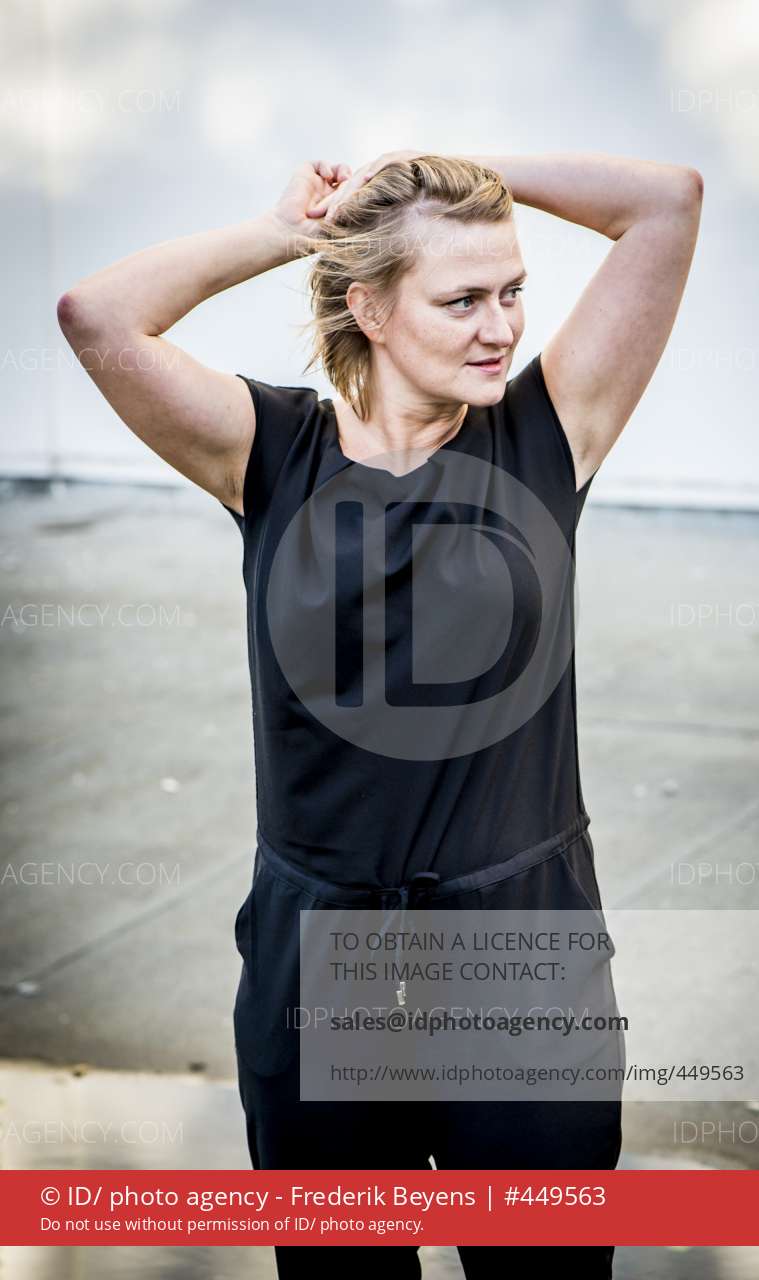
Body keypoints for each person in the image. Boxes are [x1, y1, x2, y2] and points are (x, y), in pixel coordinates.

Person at [57, 148, 703, 1278]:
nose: (501, 326)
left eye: (512, 291)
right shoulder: (268, 452)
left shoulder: (549, 431)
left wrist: (456, 163)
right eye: (462, 300)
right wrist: (284, 232)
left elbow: (666, 201)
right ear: (369, 308)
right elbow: (97, 316)